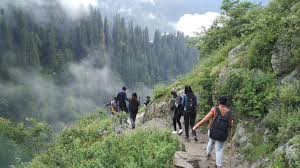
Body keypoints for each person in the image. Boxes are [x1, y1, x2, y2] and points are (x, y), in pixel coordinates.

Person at [192, 96, 233, 168]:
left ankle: (208, 153)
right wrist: (231, 122)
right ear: (226, 103)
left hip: (212, 130)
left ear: (219, 102)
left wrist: (196, 126)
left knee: (210, 142)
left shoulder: (214, 109)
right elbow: (230, 124)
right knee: (219, 150)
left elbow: (205, 118)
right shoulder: (229, 112)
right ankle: (219, 166)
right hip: (222, 133)